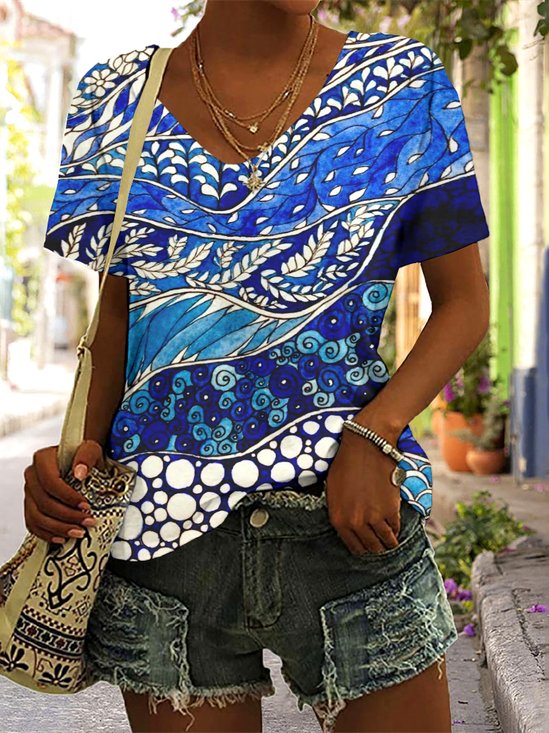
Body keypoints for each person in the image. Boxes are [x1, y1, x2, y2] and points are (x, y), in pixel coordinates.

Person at [24, 0, 491, 731]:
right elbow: (117, 320)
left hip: (350, 524)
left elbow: (464, 303)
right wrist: (72, 461)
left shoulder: (402, 85)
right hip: (163, 542)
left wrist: (375, 431)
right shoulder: (114, 98)